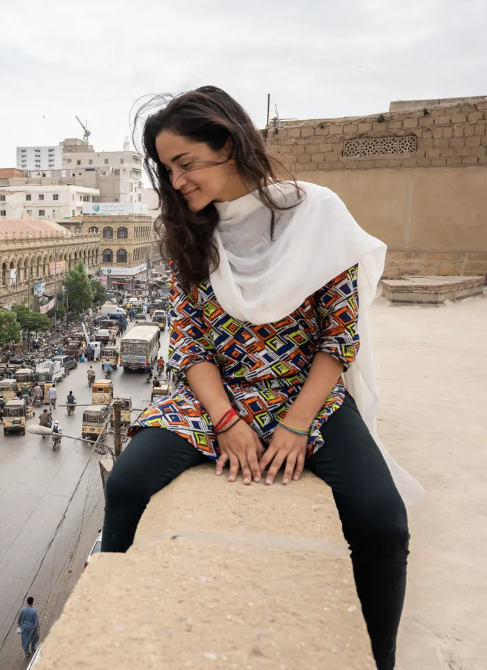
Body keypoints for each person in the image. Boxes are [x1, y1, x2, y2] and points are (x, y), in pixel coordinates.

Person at [103, 87, 417, 670]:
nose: (177, 182)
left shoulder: (316, 212)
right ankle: (106, 633)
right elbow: (190, 340)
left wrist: (296, 426)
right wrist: (225, 421)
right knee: (126, 485)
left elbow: (338, 337)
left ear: (227, 144)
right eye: (168, 169)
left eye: (186, 164)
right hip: (218, 397)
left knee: (383, 523)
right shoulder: (189, 233)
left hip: (309, 396)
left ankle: (380, 659)